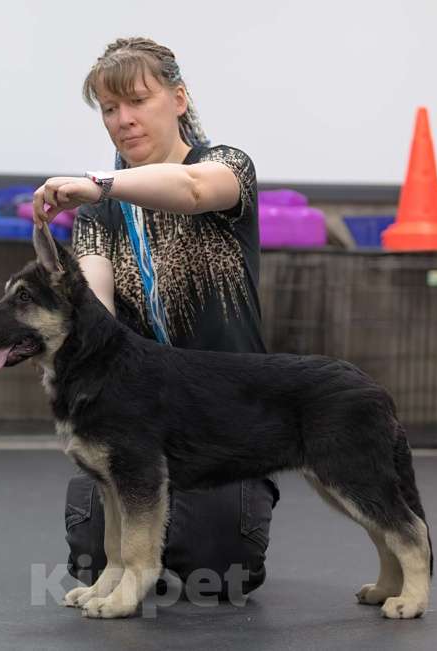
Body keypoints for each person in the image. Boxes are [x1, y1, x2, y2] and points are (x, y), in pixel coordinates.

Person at [32, 36, 279, 599]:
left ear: (180, 98)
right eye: (110, 109)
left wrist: (97, 183)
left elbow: (191, 190)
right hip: (139, 422)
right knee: (94, 559)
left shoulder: (226, 167)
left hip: (227, 418)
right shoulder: (97, 212)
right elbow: (91, 307)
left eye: (137, 101)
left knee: (218, 573)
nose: (123, 120)